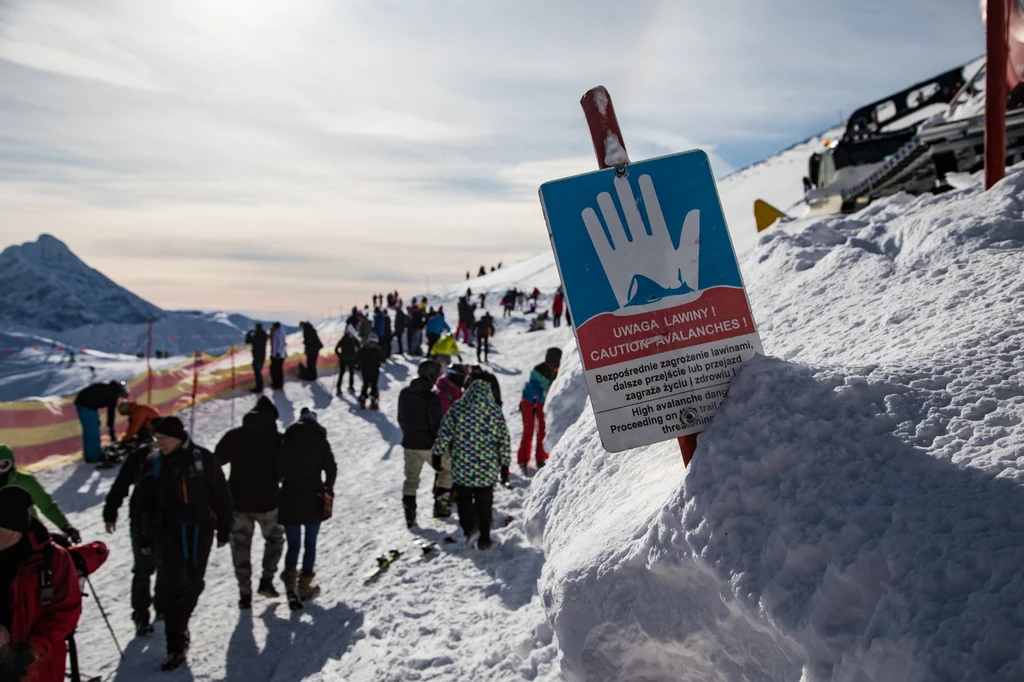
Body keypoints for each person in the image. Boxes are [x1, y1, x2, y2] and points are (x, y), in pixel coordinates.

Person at [138, 417, 232, 672]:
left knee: (193, 584)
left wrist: (224, 528)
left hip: (200, 532)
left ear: (177, 438)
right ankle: (175, 645)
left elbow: (222, 495)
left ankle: (181, 622)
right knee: (171, 588)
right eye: (157, 440)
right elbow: (143, 503)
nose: (159, 444)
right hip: (168, 533)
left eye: (163, 440)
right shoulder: (155, 463)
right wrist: (144, 536)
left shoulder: (203, 459)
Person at [0, 486, 82, 682]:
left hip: (37, 668)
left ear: (13, 530)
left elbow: (65, 613)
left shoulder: (53, 560)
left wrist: (29, 651)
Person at [214, 397, 285, 610]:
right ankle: (266, 579)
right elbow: (284, 471)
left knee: (240, 546)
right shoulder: (278, 440)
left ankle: (244, 593)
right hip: (269, 502)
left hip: (238, 503)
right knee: (275, 540)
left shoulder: (235, 436)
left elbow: (216, 461)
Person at [431, 382, 510, 550]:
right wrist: (504, 465)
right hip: (486, 467)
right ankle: (485, 538)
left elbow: (444, 433)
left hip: (462, 465)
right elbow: (503, 440)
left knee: (464, 499)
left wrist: (437, 454)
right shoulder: (494, 411)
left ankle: (470, 529)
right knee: (484, 501)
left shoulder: (458, 408)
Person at [103, 436, 165, 635]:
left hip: (170, 518)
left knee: (167, 565)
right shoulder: (140, 456)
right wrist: (110, 512)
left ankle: (162, 607)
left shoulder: (179, 455)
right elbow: (121, 484)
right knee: (144, 568)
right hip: (142, 519)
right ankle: (141, 615)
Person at [277, 408, 336, 609]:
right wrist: (328, 487)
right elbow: (331, 467)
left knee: (293, 544)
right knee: (310, 543)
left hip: (290, 495)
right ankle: (304, 586)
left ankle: (290, 586)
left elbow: (278, 467)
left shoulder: (288, 439)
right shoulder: (320, 439)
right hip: (314, 496)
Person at [396, 361, 448, 527]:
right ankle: (441, 507)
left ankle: (410, 517)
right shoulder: (432, 398)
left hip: (409, 443)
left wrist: (409, 433)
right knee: (447, 470)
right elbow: (436, 425)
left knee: (411, 480)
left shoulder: (405, 393)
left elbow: (401, 418)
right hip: (428, 445)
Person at [0, 445, 80, 544]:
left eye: (3, 465)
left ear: (11, 464)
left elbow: (46, 505)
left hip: (28, 533)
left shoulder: (25, 481)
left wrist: (65, 526)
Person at [518, 348, 561, 473]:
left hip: (542, 403)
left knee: (543, 430)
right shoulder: (538, 369)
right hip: (528, 401)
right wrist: (544, 391)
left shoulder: (557, 370)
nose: (555, 368)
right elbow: (533, 389)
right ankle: (523, 460)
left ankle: (541, 458)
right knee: (529, 430)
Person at [74, 380, 129, 463]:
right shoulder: (113, 393)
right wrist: (111, 429)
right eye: (121, 395)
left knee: (89, 432)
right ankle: (95, 457)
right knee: (93, 433)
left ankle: (89, 456)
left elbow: (94, 398)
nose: (120, 397)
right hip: (87, 407)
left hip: (84, 405)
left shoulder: (109, 388)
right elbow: (111, 413)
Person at [358, 334, 386, 410]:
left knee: (365, 385)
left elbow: (358, 356)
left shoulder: (364, 347)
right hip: (374, 370)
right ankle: (374, 402)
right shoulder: (378, 348)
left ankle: (363, 400)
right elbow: (383, 357)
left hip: (365, 369)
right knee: (374, 385)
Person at [334, 327, 360, 395]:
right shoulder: (353, 340)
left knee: (341, 374)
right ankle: (351, 386)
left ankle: (338, 388)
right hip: (351, 359)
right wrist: (355, 356)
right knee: (351, 373)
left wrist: (340, 355)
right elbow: (357, 348)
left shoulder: (342, 340)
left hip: (343, 359)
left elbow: (336, 349)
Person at [245, 323, 268, 392]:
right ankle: (260, 387)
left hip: (256, 356)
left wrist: (249, 334)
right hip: (262, 356)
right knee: (259, 372)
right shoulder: (264, 335)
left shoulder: (256, 336)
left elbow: (247, 341)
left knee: (257, 373)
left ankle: (259, 388)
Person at [270, 322, 287, 390]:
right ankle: (276, 383)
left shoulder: (278, 333)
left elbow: (280, 343)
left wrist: (278, 353)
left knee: (277, 370)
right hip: (277, 354)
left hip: (278, 356)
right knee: (276, 370)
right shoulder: (278, 332)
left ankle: (277, 384)